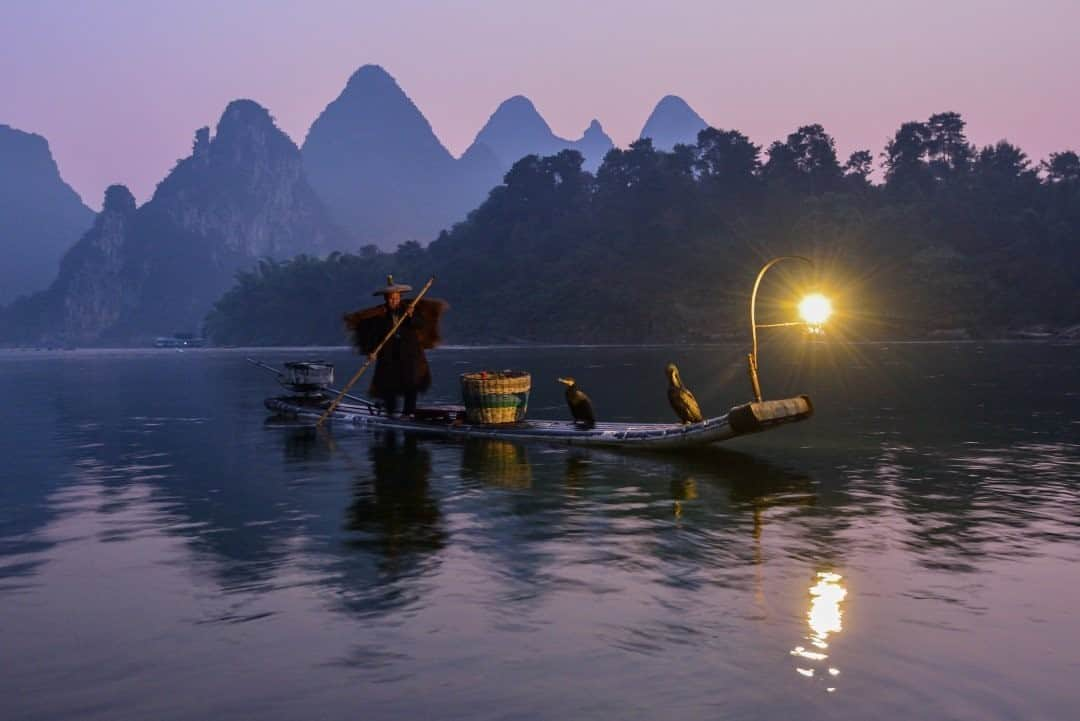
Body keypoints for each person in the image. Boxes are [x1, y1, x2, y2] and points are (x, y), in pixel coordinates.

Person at [343, 276, 447, 418]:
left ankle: (408, 413)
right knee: (389, 384)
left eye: (396, 298)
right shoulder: (379, 314)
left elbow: (420, 324)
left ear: (400, 297)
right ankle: (390, 413)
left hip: (409, 353)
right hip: (388, 354)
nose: (394, 301)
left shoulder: (409, 310)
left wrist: (411, 316)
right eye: (391, 298)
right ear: (386, 298)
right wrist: (372, 352)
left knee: (411, 383)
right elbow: (374, 335)